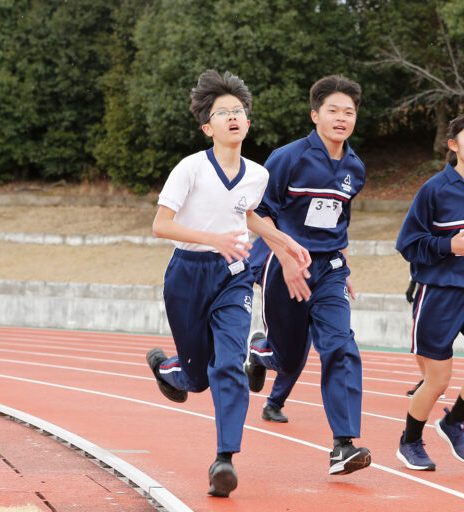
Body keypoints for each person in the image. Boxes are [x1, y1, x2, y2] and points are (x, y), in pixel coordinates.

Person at [144, 69, 310, 498]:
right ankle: (168, 368)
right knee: (197, 379)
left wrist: (284, 241)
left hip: (233, 276)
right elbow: (161, 225)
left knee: (228, 365)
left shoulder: (257, 175)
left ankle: (224, 460)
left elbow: (249, 215)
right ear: (208, 127)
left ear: (248, 122)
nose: (233, 117)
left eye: (239, 111)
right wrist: (213, 239)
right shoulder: (190, 168)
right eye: (223, 113)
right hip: (186, 275)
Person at [243, 75, 372, 475]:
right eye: (332, 110)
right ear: (315, 115)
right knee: (292, 357)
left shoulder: (355, 167)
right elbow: (256, 213)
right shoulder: (288, 158)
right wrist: (283, 256)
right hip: (284, 265)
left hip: (329, 268)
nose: (341, 118)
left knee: (340, 346)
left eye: (348, 112)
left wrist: (343, 266)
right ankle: (263, 351)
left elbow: (339, 220)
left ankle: (344, 445)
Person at [394, 111, 464, 472]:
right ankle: (410, 441)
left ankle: (453, 422)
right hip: (439, 294)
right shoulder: (434, 190)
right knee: (437, 380)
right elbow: (408, 243)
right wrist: (448, 247)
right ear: (453, 145)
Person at [247, 238, 312, 424]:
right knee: (290, 355)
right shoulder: (280, 216)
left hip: (321, 272)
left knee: (311, 348)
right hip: (280, 273)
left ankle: (274, 403)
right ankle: (257, 352)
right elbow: (262, 220)